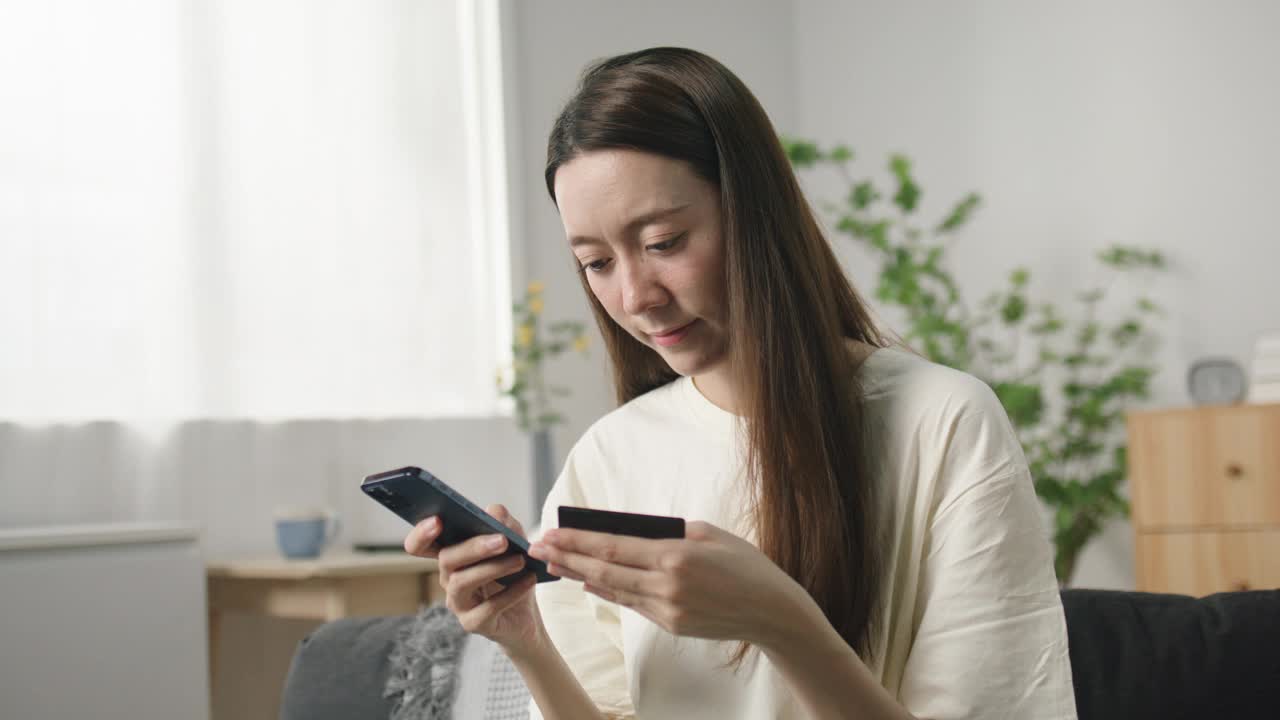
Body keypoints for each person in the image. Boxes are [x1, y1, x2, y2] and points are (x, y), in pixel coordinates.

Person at [405, 47, 1077, 720]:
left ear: (755, 214)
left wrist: (783, 623)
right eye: (596, 262)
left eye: (664, 242)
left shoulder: (943, 424)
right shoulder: (609, 458)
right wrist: (527, 645)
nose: (636, 295)